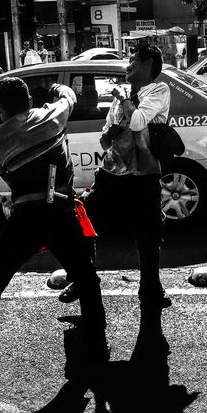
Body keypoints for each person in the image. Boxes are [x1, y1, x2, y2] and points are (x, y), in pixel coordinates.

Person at [0, 77, 110, 371]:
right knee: (86, 278)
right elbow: (68, 97)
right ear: (29, 101)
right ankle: (96, 342)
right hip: (61, 211)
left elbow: (10, 176)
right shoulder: (52, 115)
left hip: (26, 216)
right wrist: (56, 91)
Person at [63, 44, 171, 310]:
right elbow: (103, 139)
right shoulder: (119, 95)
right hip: (111, 173)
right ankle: (82, 277)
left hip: (144, 176)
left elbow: (138, 122)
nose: (128, 64)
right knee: (83, 222)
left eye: (134, 59)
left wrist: (123, 98)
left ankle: (151, 289)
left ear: (147, 64)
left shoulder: (158, 90)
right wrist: (107, 135)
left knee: (148, 235)